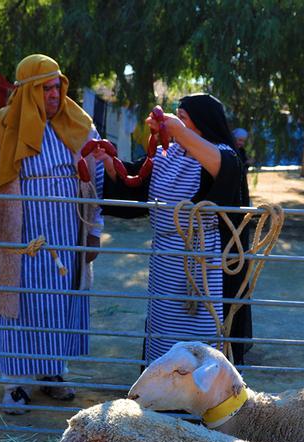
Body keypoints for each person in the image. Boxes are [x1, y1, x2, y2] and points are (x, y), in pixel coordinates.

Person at [0, 54, 104, 414]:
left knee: (58, 306)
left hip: (66, 239)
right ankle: (15, 383)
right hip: (15, 246)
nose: (55, 95)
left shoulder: (79, 126)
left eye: (58, 86)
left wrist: (94, 231)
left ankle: (53, 373)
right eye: (46, 89)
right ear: (26, 92)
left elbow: (96, 187)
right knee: (16, 309)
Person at [104, 94, 251, 363]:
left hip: (205, 268)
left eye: (183, 118)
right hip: (165, 263)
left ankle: (205, 393)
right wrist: (108, 164)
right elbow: (136, 184)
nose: (176, 123)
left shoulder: (221, 154)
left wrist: (179, 132)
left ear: (201, 124)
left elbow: (228, 168)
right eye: (177, 117)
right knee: (164, 332)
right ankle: (164, 390)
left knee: (203, 339)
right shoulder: (166, 153)